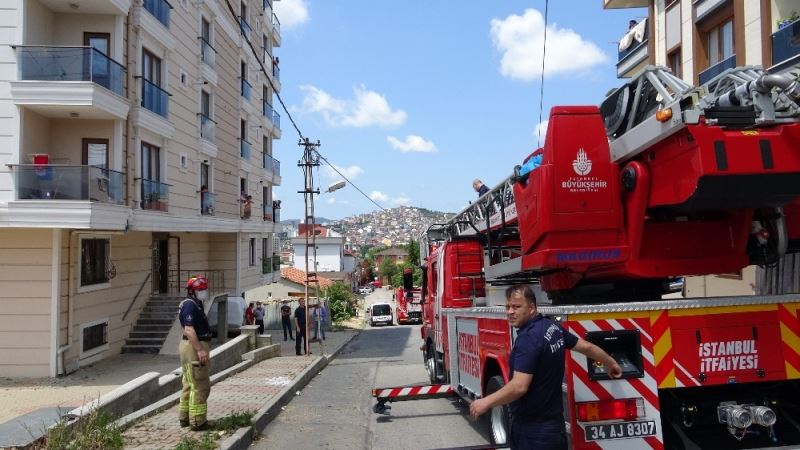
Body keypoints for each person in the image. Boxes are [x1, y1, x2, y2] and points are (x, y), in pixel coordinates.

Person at [469, 285, 622, 450]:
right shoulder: (551, 327)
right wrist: (610, 362)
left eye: (517, 306)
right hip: (554, 429)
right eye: (508, 307)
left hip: (533, 433)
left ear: (532, 308)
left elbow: (519, 386)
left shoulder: (528, 340)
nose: (510, 312)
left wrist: (486, 402)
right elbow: (586, 348)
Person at [178, 276, 214, 431]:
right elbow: (189, 329)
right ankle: (198, 421)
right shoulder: (190, 305)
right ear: (192, 291)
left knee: (188, 383)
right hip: (194, 346)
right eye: (201, 290)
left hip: (189, 345)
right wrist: (199, 349)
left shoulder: (193, 304)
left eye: (204, 289)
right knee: (200, 385)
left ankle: (184, 418)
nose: (204, 292)